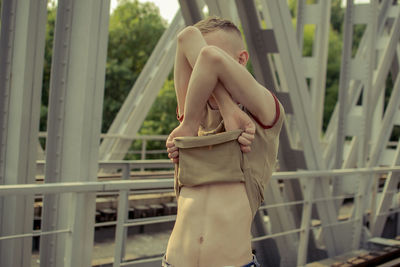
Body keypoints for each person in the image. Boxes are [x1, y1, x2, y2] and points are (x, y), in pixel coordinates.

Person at [164, 16, 284, 267]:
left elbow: (209, 59)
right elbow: (186, 36)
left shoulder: (262, 111)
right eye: (194, 65)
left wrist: (229, 109)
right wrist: (194, 122)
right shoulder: (192, 115)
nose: (202, 72)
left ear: (241, 60)